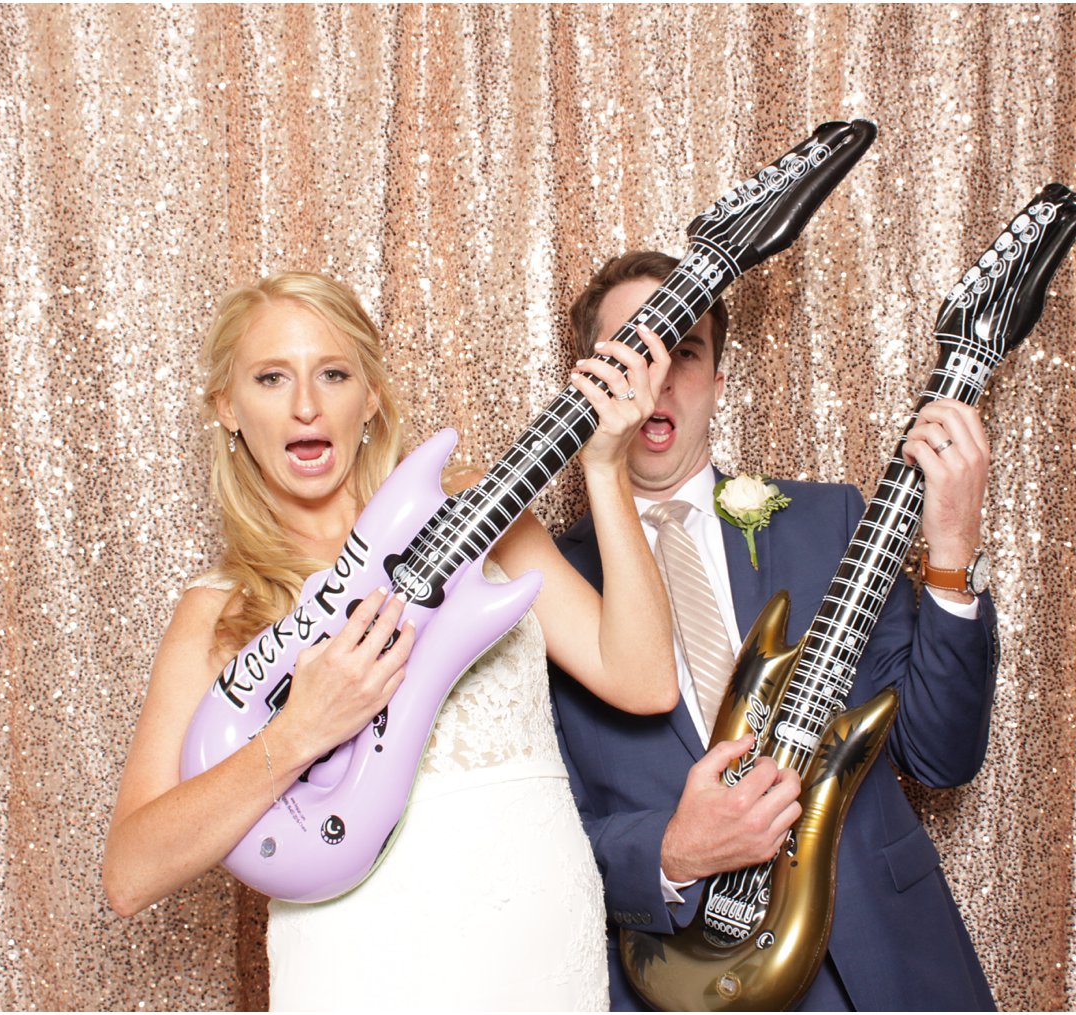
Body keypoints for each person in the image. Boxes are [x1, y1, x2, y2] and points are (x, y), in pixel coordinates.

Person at [103, 271, 679, 1010]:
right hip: (363, 962)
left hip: (538, 945)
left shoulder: (474, 512)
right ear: (228, 407)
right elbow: (131, 871)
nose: (306, 404)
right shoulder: (220, 609)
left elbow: (644, 678)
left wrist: (604, 469)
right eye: (272, 378)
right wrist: (301, 731)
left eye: (334, 373)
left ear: (370, 396)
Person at [549, 251, 999, 1011]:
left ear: (720, 383)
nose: (656, 379)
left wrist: (952, 552)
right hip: (678, 978)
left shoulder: (834, 523)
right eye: (633, 351)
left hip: (883, 970)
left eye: (683, 351)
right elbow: (526, 838)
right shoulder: (539, 588)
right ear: (589, 381)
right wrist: (667, 852)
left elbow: (941, 754)